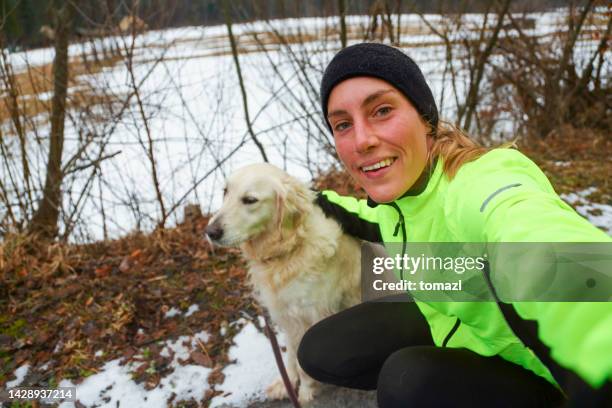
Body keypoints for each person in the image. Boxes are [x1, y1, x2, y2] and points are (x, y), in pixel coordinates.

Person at [297, 43, 612, 407]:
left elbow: (540, 244)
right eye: (343, 124)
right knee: (319, 349)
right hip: (457, 326)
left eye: (382, 110)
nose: (362, 140)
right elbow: (369, 217)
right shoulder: (395, 200)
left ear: (425, 119)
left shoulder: (478, 182)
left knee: (405, 382)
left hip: (542, 376)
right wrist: (304, 196)